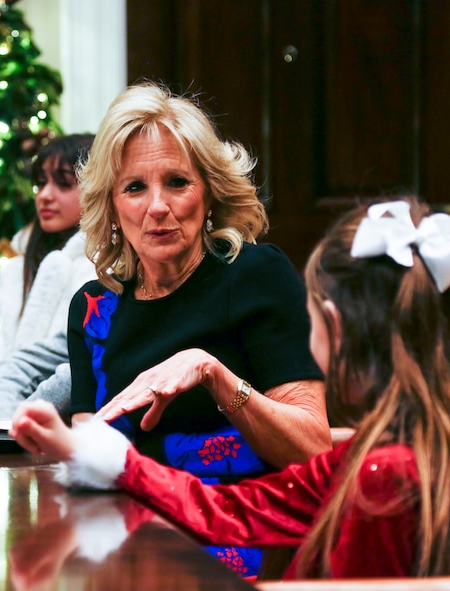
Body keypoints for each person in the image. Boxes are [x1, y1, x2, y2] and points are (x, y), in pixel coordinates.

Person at [9, 197, 450, 581]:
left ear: (333, 327)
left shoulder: (385, 474)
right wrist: (105, 458)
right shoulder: (382, 451)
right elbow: (236, 511)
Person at [68, 82, 330, 481]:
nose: (157, 207)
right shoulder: (94, 309)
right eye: (135, 187)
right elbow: (88, 457)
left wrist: (213, 373)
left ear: (209, 194)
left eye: (177, 182)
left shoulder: (255, 275)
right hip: (133, 523)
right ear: (112, 207)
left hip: (240, 526)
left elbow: (312, 450)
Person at [0, 134, 96, 397]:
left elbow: (62, 359)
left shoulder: (100, 264)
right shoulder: (23, 262)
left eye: (63, 184)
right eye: (41, 184)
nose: (45, 196)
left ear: (97, 187)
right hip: (11, 396)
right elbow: (11, 339)